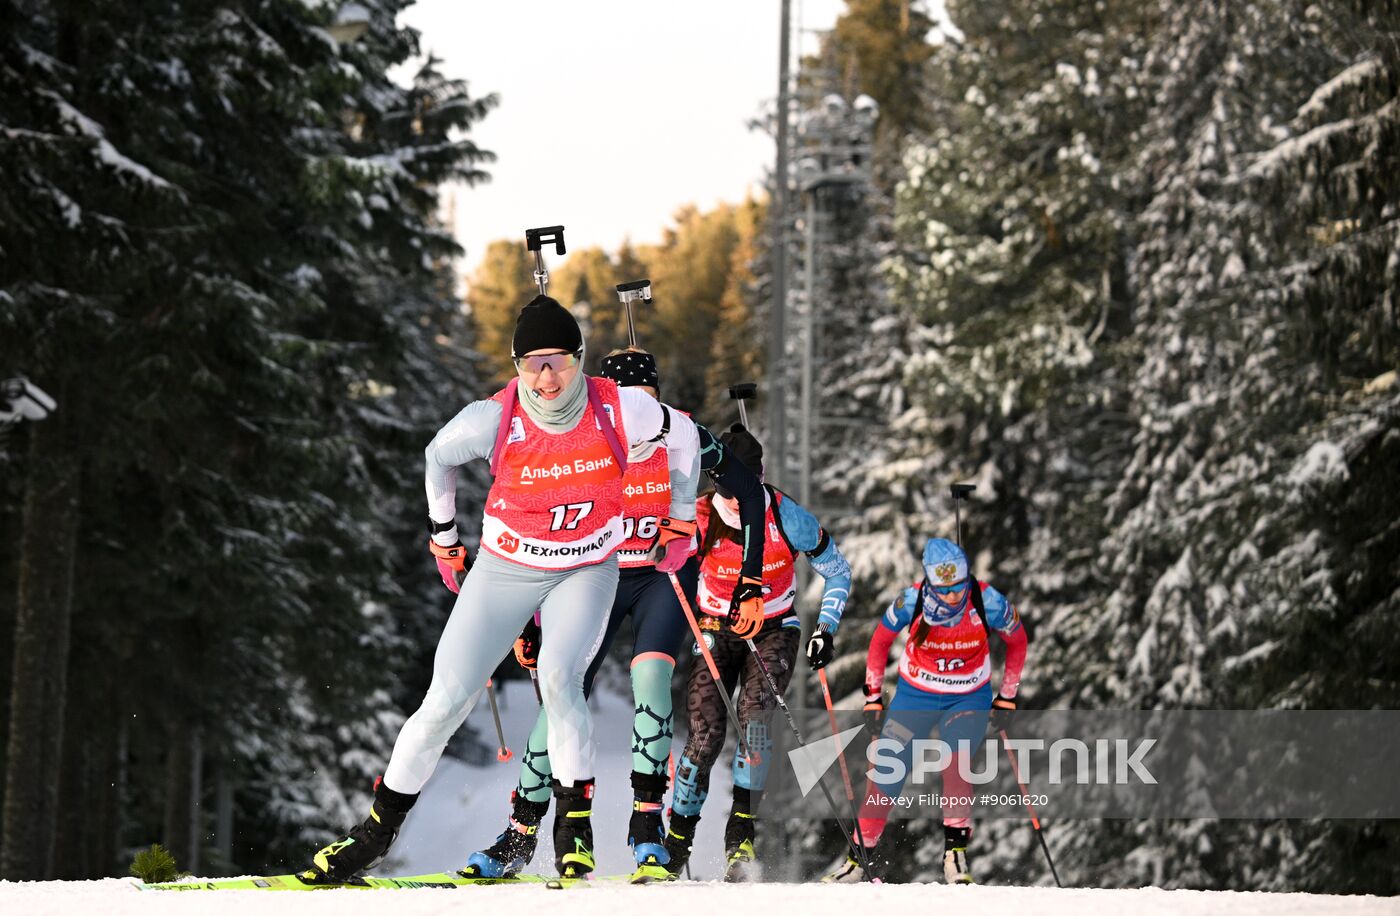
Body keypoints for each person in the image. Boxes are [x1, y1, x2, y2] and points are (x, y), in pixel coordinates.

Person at [307, 297, 768, 882]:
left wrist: (681, 514)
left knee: (560, 679)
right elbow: (436, 456)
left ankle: (575, 833)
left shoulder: (622, 409)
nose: (546, 377)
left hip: (586, 570)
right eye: (533, 363)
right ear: (517, 365)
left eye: (558, 361)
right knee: (444, 701)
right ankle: (373, 835)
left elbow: (696, 450)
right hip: (505, 568)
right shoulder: (493, 418)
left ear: (580, 361)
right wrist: (444, 538)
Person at [462, 347, 767, 883]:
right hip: (591, 575)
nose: (637, 416)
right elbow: (539, 532)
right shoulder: (579, 437)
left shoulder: (680, 433)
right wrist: (529, 624)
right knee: (560, 692)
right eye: (625, 404)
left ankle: (647, 828)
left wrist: (751, 580)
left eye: (645, 400)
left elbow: (748, 490)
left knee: (650, 676)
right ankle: (520, 831)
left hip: (660, 579)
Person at [662, 424, 853, 882]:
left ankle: (740, 841)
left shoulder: (788, 517)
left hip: (774, 629)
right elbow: (660, 559)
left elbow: (839, 571)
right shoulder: (703, 514)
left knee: (756, 724)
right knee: (705, 737)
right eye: (723, 488)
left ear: (758, 479)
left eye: (740, 489)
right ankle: (675, 845)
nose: (732, 500)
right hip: (714, 626)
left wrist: (825, 628)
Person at [823, 537, 1027, 884]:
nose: (952, 595)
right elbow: (880, 642)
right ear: (930, 581)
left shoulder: (988, 601)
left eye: (959, 586)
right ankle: (858, 860)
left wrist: (1007, 695)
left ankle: (955, 855)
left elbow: (1017, 641)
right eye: (944, 588)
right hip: (915, 696)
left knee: (956, 762)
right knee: (887, 769)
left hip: (967, 697)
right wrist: (873, 696)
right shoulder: (911, 599)